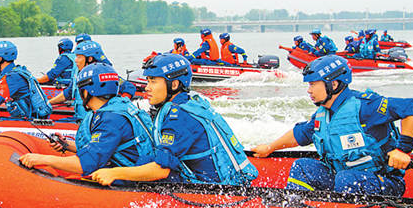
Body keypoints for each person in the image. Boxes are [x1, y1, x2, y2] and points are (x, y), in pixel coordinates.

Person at [251, 55, 413, 196]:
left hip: (383, 181)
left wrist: (403, 149)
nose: (309, 90)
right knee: (303, 167)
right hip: (342, 177)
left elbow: (412, 108)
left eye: (313, 84)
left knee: (346, 179)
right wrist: (269, 147)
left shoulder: (366, 106)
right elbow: (300, 135)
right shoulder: (322, 115)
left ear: (333, 84)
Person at [90, 53, 258, 186]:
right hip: (220, 181)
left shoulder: (178, 118)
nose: (147, 87)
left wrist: (114, 173)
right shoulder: (190, 101)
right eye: (148, 81)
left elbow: (161, 171)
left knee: (143, 166)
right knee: (146, 160)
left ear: (175, 85)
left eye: (153, 81)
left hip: (209, 189)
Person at [19, 63, 155, 181]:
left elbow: (86, 163)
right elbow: (104, 148)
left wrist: (42, 159)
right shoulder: (119, 107)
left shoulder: (111, 120)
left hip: (128, 181)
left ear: (87, 91)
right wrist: (66, 145)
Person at [49, 40, 136, 120]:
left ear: (89, 59)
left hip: (95, 122)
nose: (75, 60)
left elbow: (129, 87)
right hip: (79, 118)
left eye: (79, 57)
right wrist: (48, 103)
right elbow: (68, 93)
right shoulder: (80, 73)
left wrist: (117, 109)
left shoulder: (103, 73)